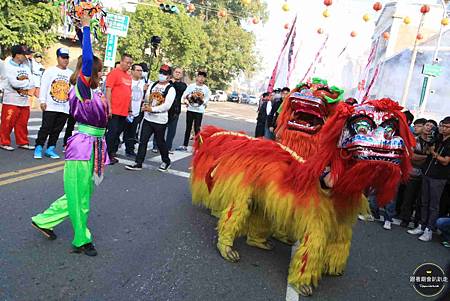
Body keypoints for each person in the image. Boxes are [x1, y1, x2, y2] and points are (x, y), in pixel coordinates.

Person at [32, 14, 109, 256]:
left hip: (95, 144)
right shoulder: (82, 88)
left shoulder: (93, 90)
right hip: (83, 145)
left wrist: (79, 30)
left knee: (79, 193)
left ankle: (44, 220)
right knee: (81, 197)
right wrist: (86, 29)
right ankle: (81, 239)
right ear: (91, 71)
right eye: (100, 69)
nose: (102, 71)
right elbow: (86, 59)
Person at [125, 64, 175, 172]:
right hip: (148, 119)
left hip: (160, 120)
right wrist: (145, 105)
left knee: (160, 142)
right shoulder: (153, 85)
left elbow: (167, 105)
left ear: (169, 76)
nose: (161, 75)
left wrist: (153, 109)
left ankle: (166, 161)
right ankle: (138, 163)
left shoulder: (171, 89)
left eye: (165, 74)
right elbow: (147, 97)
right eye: (161, 72)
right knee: (143, 141)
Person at [408, 117, 450, 242]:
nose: (443, 128)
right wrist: (429, 149)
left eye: (447, 127)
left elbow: (446, 161)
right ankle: (421, 225)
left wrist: (433, 153)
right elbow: (427, 151)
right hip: (427, 173)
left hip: (439, 177)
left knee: (433, 205)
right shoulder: (437, 138)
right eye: (442, 126)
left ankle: (429, 230)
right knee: (423, 201)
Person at [34, 48, 73, 159]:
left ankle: (51, 148)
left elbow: (72, 91)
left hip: (64, 106)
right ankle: (39, 147)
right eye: (63, 57)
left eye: (67, 58)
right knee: (46, 127)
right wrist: (42, 101)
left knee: (57, 129)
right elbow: (44, 86)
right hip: (50, 105)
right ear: (58, 58)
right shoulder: (50, 71)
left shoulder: (71, 74)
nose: (65, 60)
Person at [0, 45, 36, 151]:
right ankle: (4, 142)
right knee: (7, 123)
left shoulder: (25, 65)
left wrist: (25, 84)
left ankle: (22, 142)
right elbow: (14, 83)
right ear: (18, 55)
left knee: (23, 122)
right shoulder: (7, 66)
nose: (27, 56)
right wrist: (27, 83)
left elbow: (32, 81)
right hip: (11, 99)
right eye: (24, 54)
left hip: (24, 100)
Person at [399, 119, 432, 227]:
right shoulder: (414, 140)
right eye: (426, 125)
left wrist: (423, 158)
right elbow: (412, 157)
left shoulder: (433, 142)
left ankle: (418, 221)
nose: (429, 128)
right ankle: (405, 219)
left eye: (431, 126)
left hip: (426, 175)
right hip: (412, 173)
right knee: (408, 198)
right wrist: (428, 157)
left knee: (421, 201)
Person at [105, 53, 133, 164]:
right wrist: (109, 107)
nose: (129, 65)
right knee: (111, 133)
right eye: (127, 62)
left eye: (130, 63)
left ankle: (112, 153)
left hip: (123, 111)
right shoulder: (114, 73)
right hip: (114, 110)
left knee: (117, 134)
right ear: (121, 61)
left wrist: (129, 109)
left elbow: (128, 94)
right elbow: (108, 90)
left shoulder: (128, 76)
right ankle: (105, 155)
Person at [152, 66, 187, 153]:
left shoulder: (182, 85)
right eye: (176, 72)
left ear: (182, 75)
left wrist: (172, 82)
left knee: (171, 131)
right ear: (173, 73)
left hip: (175, 110)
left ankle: (168, 147)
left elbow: (179, 88)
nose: (178, 74)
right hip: (163, 108)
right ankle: (155, 145)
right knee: (159, 128)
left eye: (180, 73)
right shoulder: (166, 82)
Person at [176, 70, 210, 151]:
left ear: (204, 79)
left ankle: (197, 147)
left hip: (199, 111)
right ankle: (185, 145)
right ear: (197, 77)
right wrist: (187, 100)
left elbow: (206, 100)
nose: (201, 78)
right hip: (190, 109)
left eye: (203, 77)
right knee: (188, 127)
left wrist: (201, 101)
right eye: (200, 76)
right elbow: (184, 96)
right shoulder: (191, 86)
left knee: (197, 129)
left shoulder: (206, 89)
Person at [123, 64, 147, 157]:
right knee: (121, 130)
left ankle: (130, 150)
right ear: (132, 71)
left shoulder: (143, 83)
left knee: (132, 132)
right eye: (138, 70)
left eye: (141, 71)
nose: (140, 72)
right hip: (126, 110)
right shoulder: (128, 81)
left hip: (137, 111)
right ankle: (114, 149)